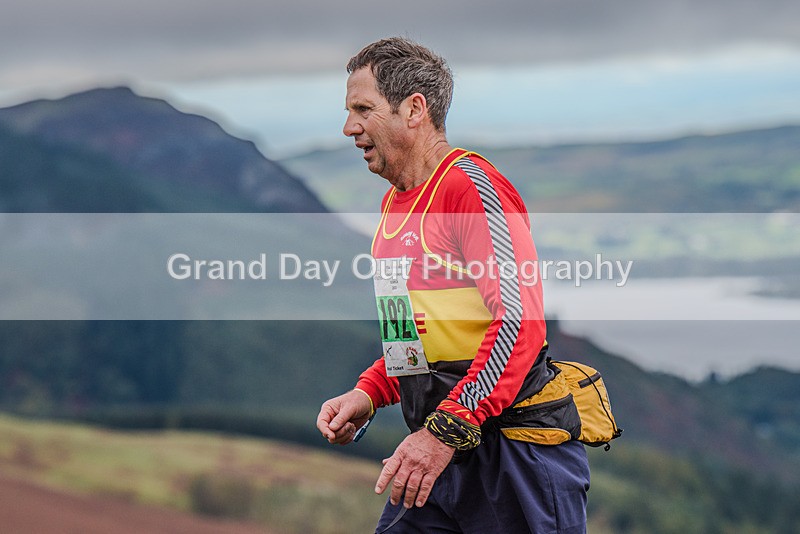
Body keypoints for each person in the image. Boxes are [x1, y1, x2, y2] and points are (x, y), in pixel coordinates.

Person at [316, 37, 590, 534]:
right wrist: (371, 391)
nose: (349, 127)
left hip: (515, 453)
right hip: (443, 449)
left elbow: (519, 327)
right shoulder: (393, 207)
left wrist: (443, 432)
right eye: (348, 110)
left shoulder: (471, 189)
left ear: (414, 109)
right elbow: (414, 336)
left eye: (363, 109)